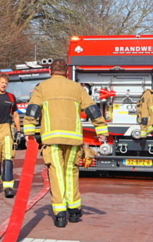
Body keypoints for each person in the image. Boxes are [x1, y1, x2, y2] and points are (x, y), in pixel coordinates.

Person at [23, 59, 108, 227]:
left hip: (52, 138)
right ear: (67, 72)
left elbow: (33, 109)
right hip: (73, 139)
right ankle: (74, 210)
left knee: (57, 174)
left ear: (50, 71)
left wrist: (29, 132)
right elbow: (92, 109)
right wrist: (101, 130)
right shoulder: (76, 88)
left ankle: (60, 214)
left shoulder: (42, 87)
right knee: (71, 172)